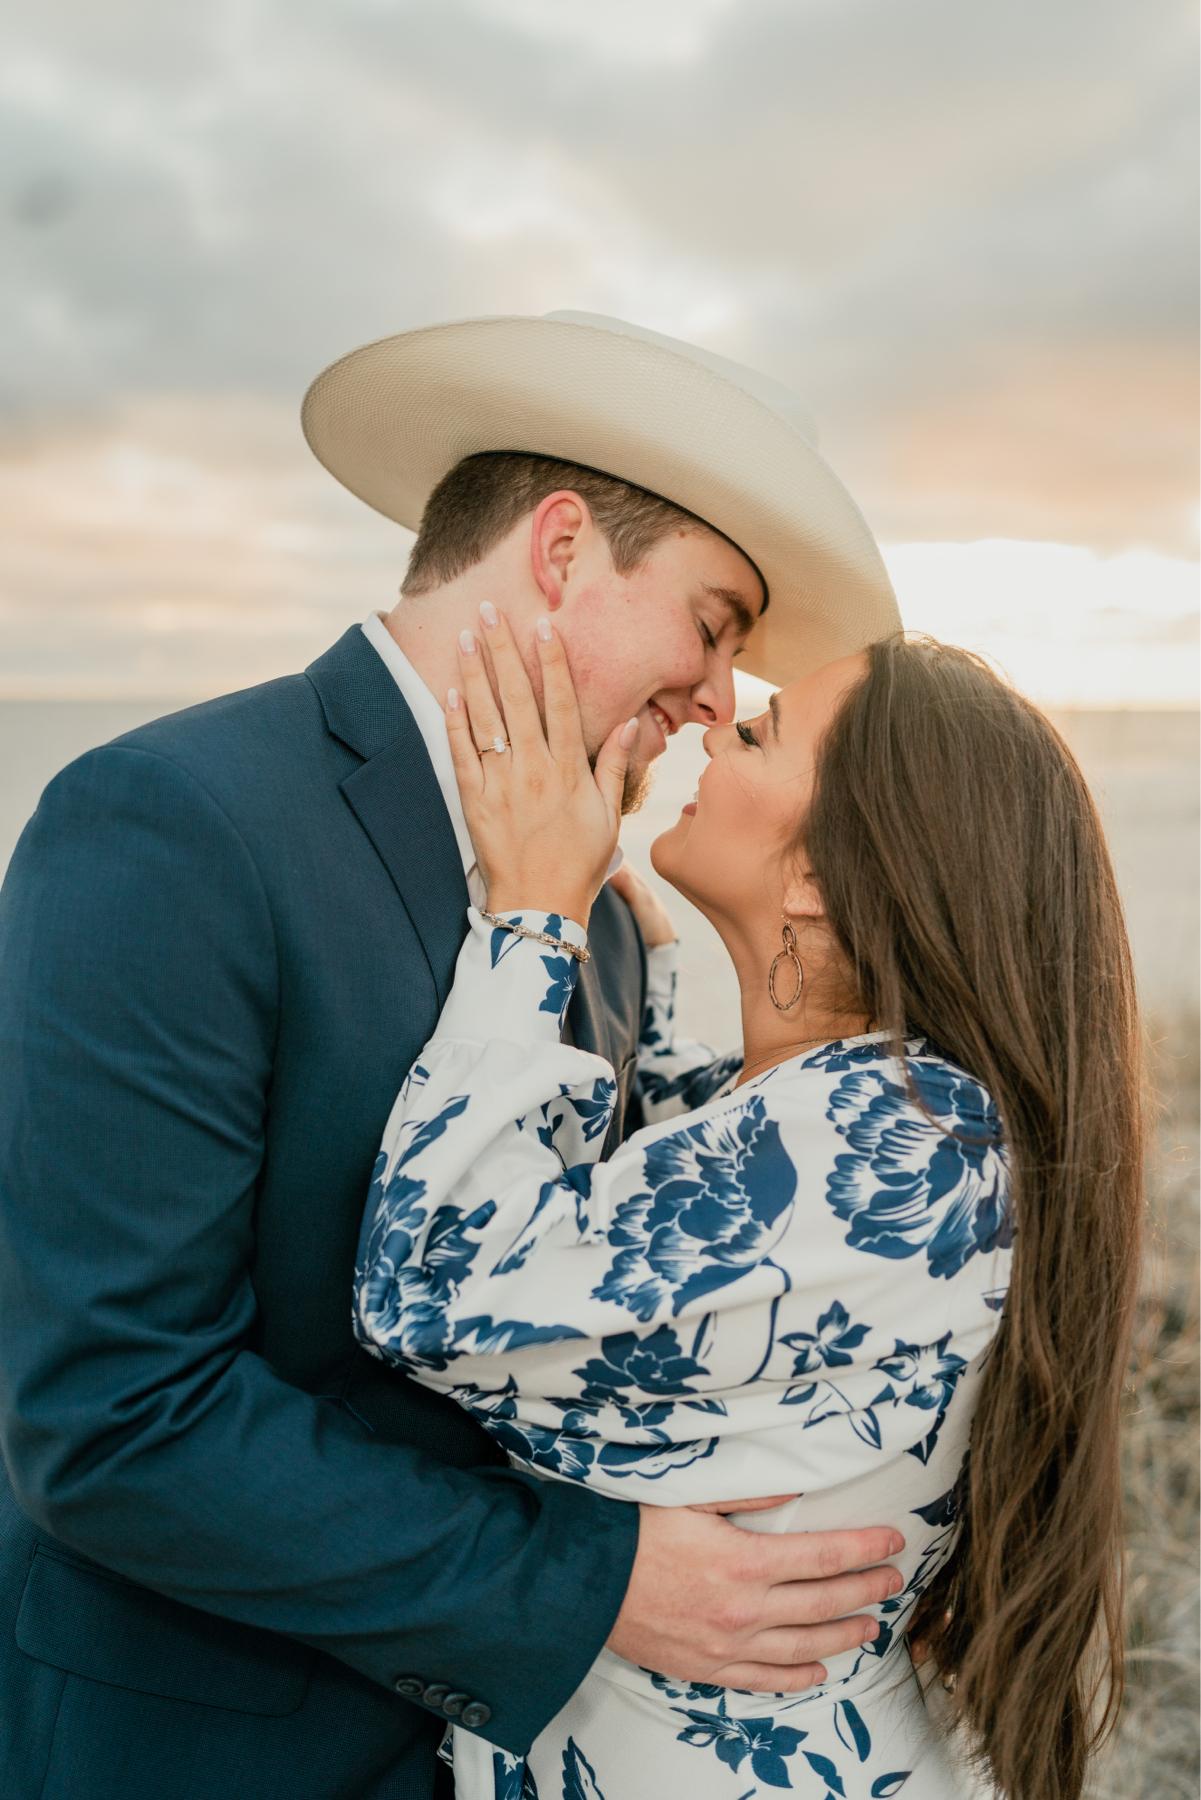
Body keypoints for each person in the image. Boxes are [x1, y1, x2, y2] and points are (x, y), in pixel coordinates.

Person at [0, 314, 905, 1800]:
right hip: (200, 1746)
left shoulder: (597, 908)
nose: (716, 698)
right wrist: (588, 1585)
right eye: (714, 624)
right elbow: (112, 1415)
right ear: (562, 549)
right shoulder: (174, 820)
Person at [354, 612, 1144, 1800]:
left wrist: (530, 920)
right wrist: (655, 976)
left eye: (763, 734)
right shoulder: (889, 1108)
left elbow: (429, 1289)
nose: (716, 725)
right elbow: (696, 1206)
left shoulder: (895, 1137)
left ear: (820, 875)